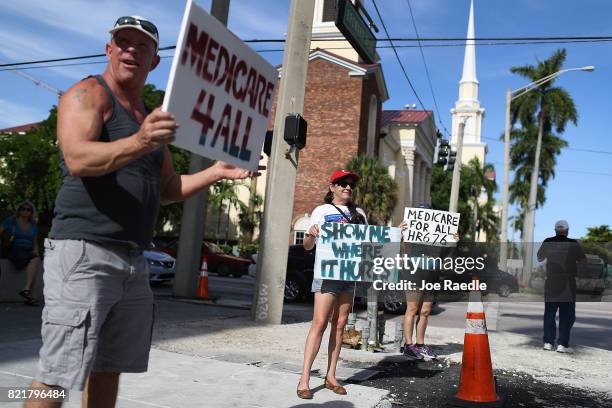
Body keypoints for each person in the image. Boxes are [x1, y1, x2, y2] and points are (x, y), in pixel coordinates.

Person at [26, 16, 261, 408]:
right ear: (109, 49)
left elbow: (168, 189)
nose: (131, 50)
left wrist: (216, 172)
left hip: (134, 260)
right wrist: (139, 140)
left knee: (108, 367)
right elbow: (78, 158)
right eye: (123, 42)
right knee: (58, 374)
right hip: (84, 252)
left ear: (155, 60)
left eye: (142, 46)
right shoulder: (88, 94)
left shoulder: (151, 120)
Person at [297, 170, 367, 399]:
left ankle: (331, 376)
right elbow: (307, 246)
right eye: (342, 183)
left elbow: (371, 245)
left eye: (351, 185)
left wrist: (398, 233)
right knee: (319, 323)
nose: (347, 187)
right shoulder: (321, 211)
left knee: (339, 326)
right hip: (327, 275)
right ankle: (304, 379)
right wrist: (311, 234)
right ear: (332, 187)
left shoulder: (360, 214)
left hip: (349, 276)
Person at [400, 203, 458, 361]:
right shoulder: (408, 232)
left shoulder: (437, 237)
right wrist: (399, 232)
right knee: (412, 308)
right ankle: (408, 345)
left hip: (433, 273)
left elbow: (445, 254)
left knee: (425, 311)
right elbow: (400, 248)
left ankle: (420, 344)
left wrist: (453, 241)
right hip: (414, 271)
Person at [537, 220, 585, 354]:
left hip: (552, 281)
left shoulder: (548, 241)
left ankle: (548, 342)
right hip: (567, 282)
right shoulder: (573, 244)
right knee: (567, 314)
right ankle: (562, 344)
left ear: (555, 231)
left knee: (550, 313)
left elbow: (540, 257)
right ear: (567, 231)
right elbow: (582, 259)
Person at [0, 201, 41, 305]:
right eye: (23, 209)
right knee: (33, 262)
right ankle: (28, 296)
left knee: (35, 260)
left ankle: (27, 291)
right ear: (19, 211)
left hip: (27, 251)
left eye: (28, 209)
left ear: (32, 212)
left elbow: (34, 242)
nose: (25, 211)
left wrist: (36, 251)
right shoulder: (11, 221)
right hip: (13, 249)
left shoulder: (33, 225)